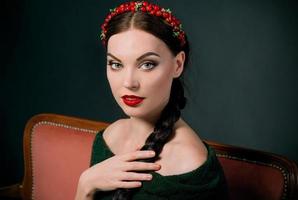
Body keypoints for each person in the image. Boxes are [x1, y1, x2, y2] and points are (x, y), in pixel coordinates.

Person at [75, 1, 228, 199]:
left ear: (178, 64)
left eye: (147, 64)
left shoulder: (191, 165)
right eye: (115, 64)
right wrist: (86, 184)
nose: (129, 82)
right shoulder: (108, 137)